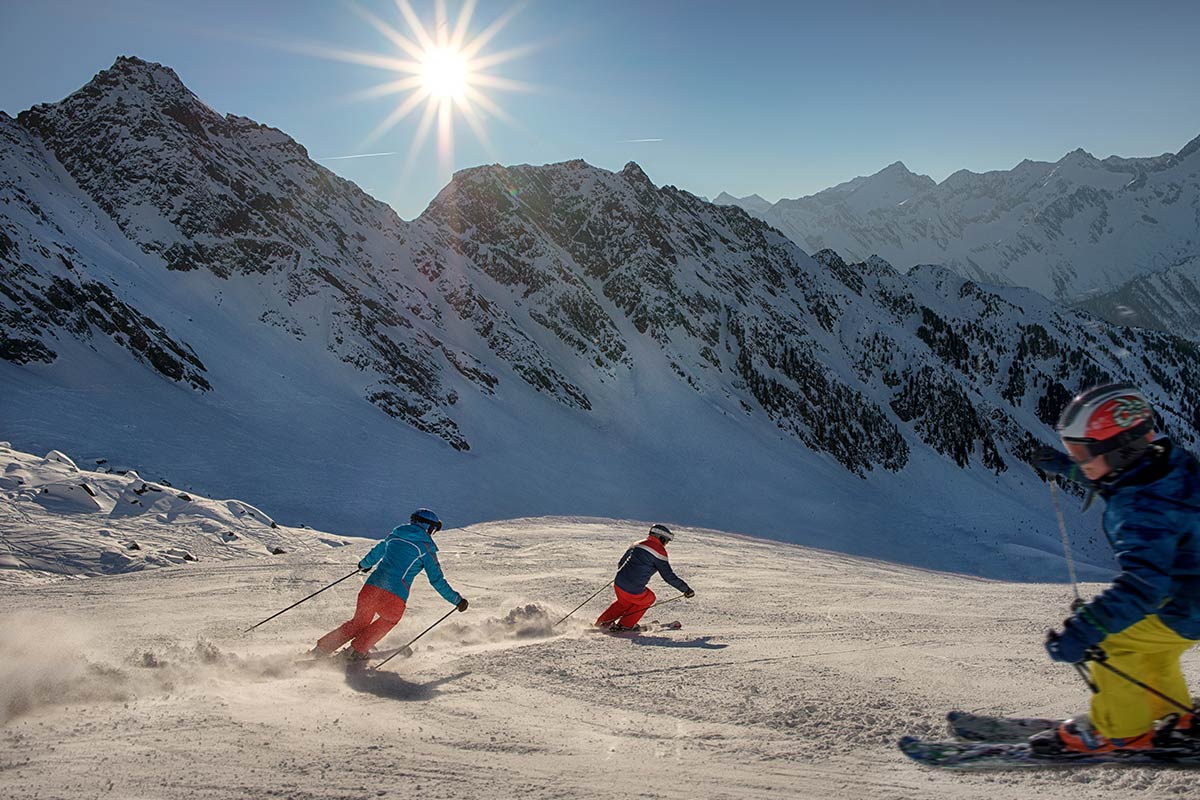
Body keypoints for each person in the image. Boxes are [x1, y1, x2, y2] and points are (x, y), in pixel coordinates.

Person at [1030, 382, 1200, 755]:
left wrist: (1085, 629)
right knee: (1153, 649)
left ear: (1120, 451)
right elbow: (1119, 481)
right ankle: (1173, 714)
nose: (1078, 460)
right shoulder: (1166, 466)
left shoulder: (1141, 511)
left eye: (1081, 452)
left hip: (1185, 603)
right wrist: (1068, 468)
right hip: (1190, 600)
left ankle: (1121, 732)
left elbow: (1143, 588)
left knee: (1110, 644)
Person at [313, 508, 468, 662]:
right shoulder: (425, 548)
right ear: (429, 527)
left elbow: (376, 552)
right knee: (389, 619)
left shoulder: (395, 535)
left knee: (358, 623)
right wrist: (457, 600)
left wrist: (364, 564)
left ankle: (321, 649)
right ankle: (356, 651)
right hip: (394, 596)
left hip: (371, 588)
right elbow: (436, 580)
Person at [595, 524, 694, 632]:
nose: (666, 544)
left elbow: (621, 563)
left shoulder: (637, 544)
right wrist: (686, 589)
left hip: (619, 582)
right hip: (633, 588)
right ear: (661, 538)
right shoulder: (659, 551)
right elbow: (668, 576)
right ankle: (625, 625)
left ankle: (602, 622)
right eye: (666, 541)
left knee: (624, 602)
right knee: (649, 598)